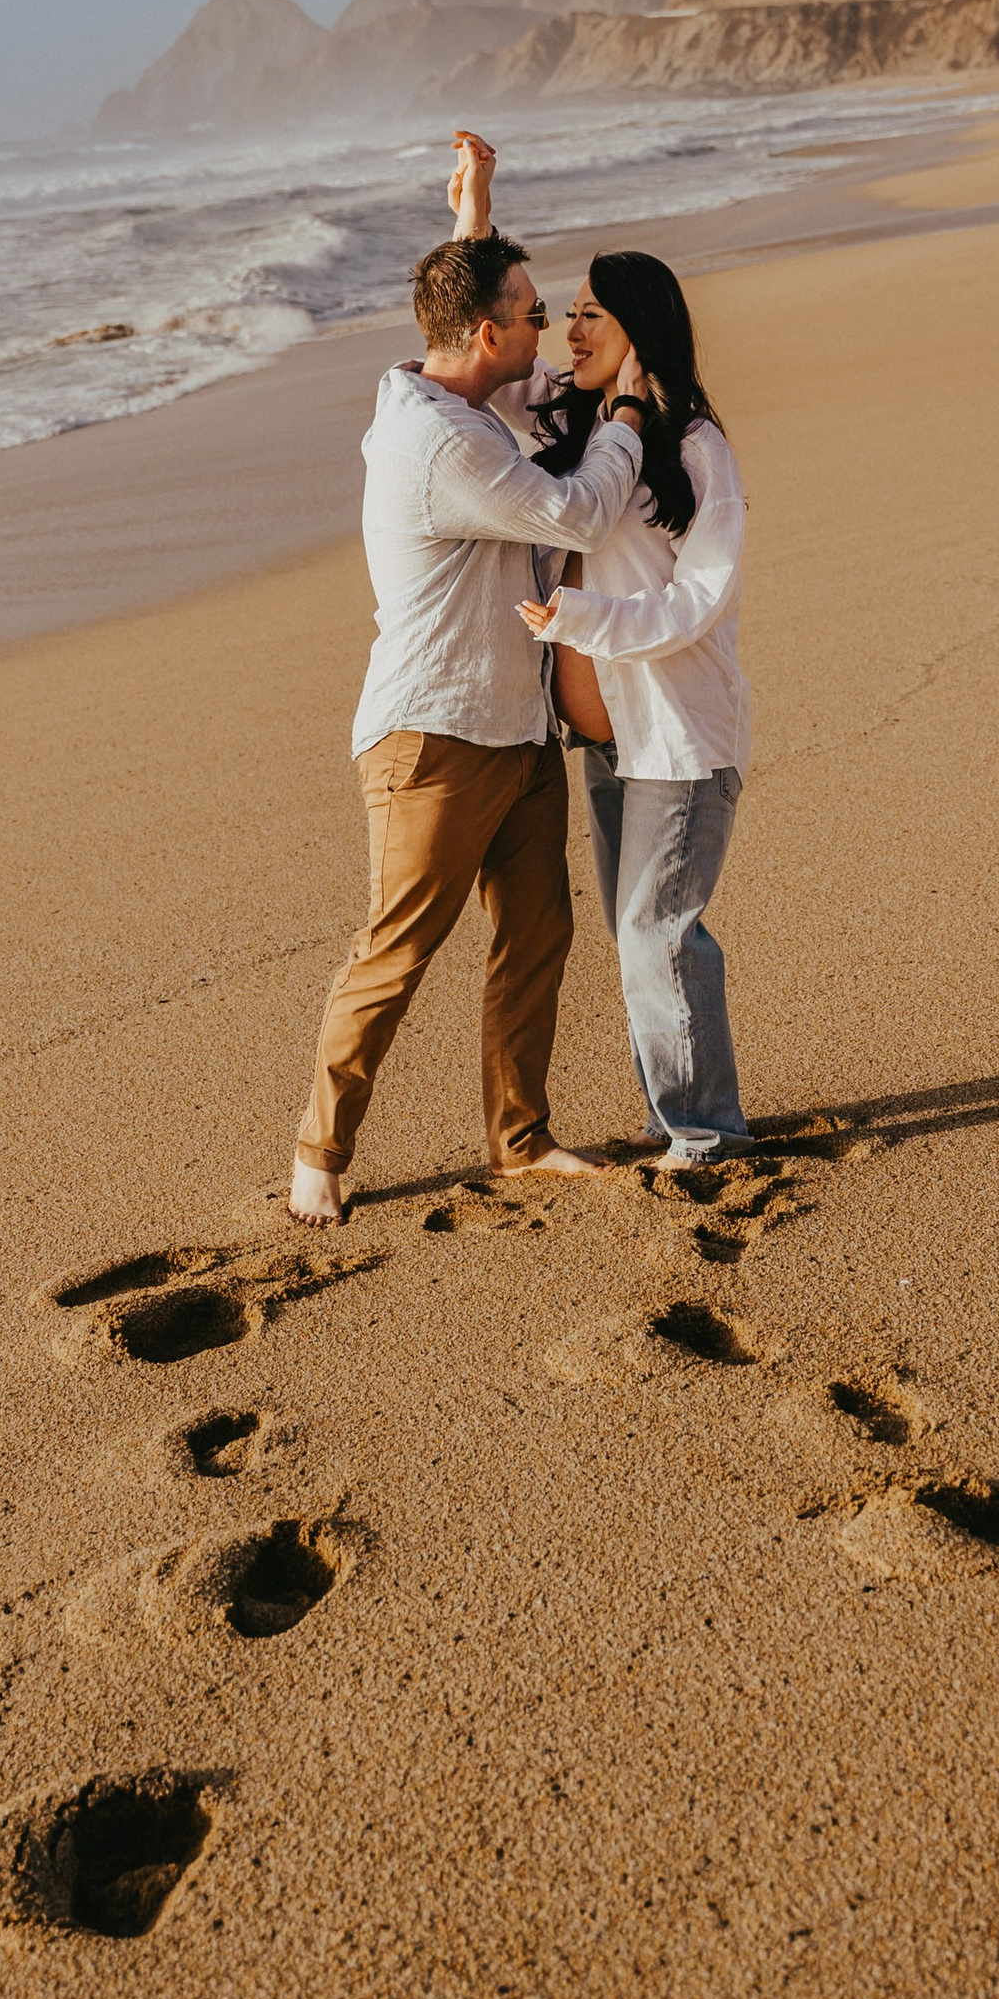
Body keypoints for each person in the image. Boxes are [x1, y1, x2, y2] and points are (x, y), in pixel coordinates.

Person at [287, 138, 650, 1226]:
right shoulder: (443, 446)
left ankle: (518, 1139)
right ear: (489, 334)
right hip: (432, 736)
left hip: (515, 726)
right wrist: (630, 406)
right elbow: (579, 510)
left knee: (538, 935)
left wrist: (476, 214)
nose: (549, 333)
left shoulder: (460, 379)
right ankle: (319, 1152)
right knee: (396, 953)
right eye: (533, 316)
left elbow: (468, 314)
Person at [516, 242, 752, 1164]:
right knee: (636, 938)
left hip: (679, 742)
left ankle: (704, 1133)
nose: (567, 332)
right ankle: (673, 1114)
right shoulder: (579, 437)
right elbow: (479, 361)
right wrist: (474, 216)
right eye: (567, 311)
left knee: (658, 932)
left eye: (590, 316)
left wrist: (582, 616)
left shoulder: (698, 450)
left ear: (638, 334)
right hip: (604, 746)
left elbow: (700, 601)